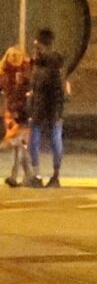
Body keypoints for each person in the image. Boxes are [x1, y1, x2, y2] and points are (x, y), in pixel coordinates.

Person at [24, 28, 66, 187]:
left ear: (43, 46)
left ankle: (49, 176)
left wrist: (55, 111)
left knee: (51, 140)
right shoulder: (42, 64)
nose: (35, 49)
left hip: (48, 108)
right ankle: (45, 175)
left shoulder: (49, 65)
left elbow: (55, 90)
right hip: (44, 108)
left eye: (37, 46)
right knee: (38, 140)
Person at [0, 44, 28, 187]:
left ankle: (17, 175)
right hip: (12, 113)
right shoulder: (5, 72)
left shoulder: (24, 71)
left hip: (20, 112)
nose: (13, 58)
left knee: (17, 143)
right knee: (19, 145)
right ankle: (27, 175)